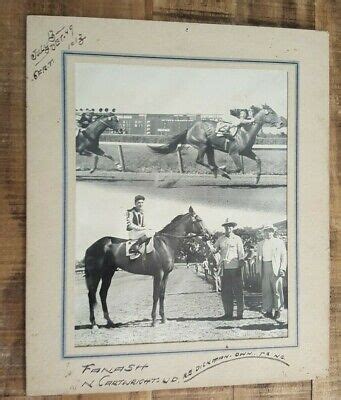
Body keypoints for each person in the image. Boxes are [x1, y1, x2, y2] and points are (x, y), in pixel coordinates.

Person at [208, 218, 245, 320]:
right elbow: (214, 251)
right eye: (226, 226)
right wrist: (208, 243)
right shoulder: (221, 239)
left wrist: (240, 267)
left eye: (230, 226)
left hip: (235, 267)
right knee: (226, 292)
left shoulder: (237, 239)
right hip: (224, 268)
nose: (228, 228)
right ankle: (228, 313)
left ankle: (239, 314)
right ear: (224, 227)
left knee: (238, 291)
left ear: (233, 227)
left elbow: (241, 255)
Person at [256, 224, 287, 320]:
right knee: (266, 290)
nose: (267, 233)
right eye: (265, 231)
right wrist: (258, 270)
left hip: (276, 268)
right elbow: (258, 258)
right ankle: (268, 311)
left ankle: (278, 310)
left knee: (277, 289)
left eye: (270, 230)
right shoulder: (260, 244)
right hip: (264, 267)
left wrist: (282, 268)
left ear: (273, 232)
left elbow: (283, 256)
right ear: (263, 233)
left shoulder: (279, 242)